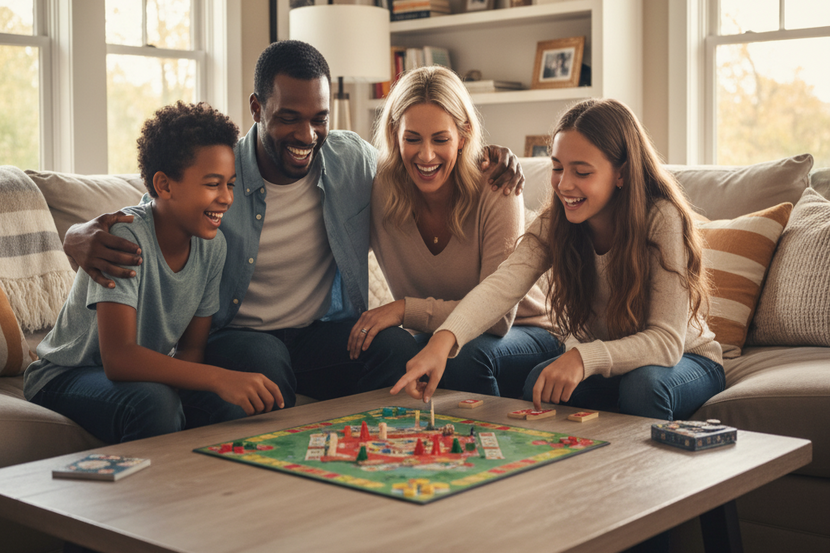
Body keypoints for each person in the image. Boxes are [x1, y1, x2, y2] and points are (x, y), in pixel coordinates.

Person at [62, 40, 525, 408]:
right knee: (265, 361)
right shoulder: (220, 172)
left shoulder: (352, 162)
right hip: (238, 334)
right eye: (288, 118)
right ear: (257, 108)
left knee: (393, 348)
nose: (307, 135)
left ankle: (385, 458)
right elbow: (159, 209)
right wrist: (76, 236)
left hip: (321, 330)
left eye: (318, 119)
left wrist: (493, 154)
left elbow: (421, 161)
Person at [392, 98, 725, 421]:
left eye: (581, 172)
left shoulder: (662, 219)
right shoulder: (557, 222)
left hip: (686, 360)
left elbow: (666, 343)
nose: (564, 185)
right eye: (557, 168)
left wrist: (583, 356)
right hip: (611, 360)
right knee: (539, 382)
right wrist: (444, 340)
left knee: (643, 385)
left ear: (621, 173)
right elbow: (502, 285)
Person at [24, 101, 283, 444]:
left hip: (138, 376)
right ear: (164, 185)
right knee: (155, 403)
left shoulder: (213, 246)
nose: (226, 198)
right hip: (67, 374)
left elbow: (192, 350)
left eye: (231, 184)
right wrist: (220, 378)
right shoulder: (125, 237)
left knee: (234, 406)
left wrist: (220, 386)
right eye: (212, 184)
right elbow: (118, 358)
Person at [347, 66, 561, 399]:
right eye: (412, 138)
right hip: (441, 335)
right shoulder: (378, 193)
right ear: (394, 135)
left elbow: (498, 320)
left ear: (462, 137)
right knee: (394, 349)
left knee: (464, 355)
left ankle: (489, 447)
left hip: (527, 332)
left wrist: (404, 309)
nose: (426, 155)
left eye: (441, 139)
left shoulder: (497, 186)